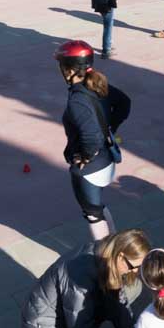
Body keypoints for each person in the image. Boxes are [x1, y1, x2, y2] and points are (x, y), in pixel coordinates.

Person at [20, 229, 151, 328]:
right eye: (134, 267)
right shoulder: (80, 275)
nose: (135, 272)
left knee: (133, 286)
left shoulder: (108, 252)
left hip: (66, 314)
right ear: (121, 257)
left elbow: (118, 302)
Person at [57, 39, 131, 240]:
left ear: (70, 69)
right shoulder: (97, 84)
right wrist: (109, 128)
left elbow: (92, 137)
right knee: (96, 208)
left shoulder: (77, 101)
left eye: (62, 65)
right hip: (106, 160)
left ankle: (106, 256)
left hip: (90, 168)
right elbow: (124, 103)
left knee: (92, 213)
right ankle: (114, 241)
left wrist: (85, 157)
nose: (61, 70)